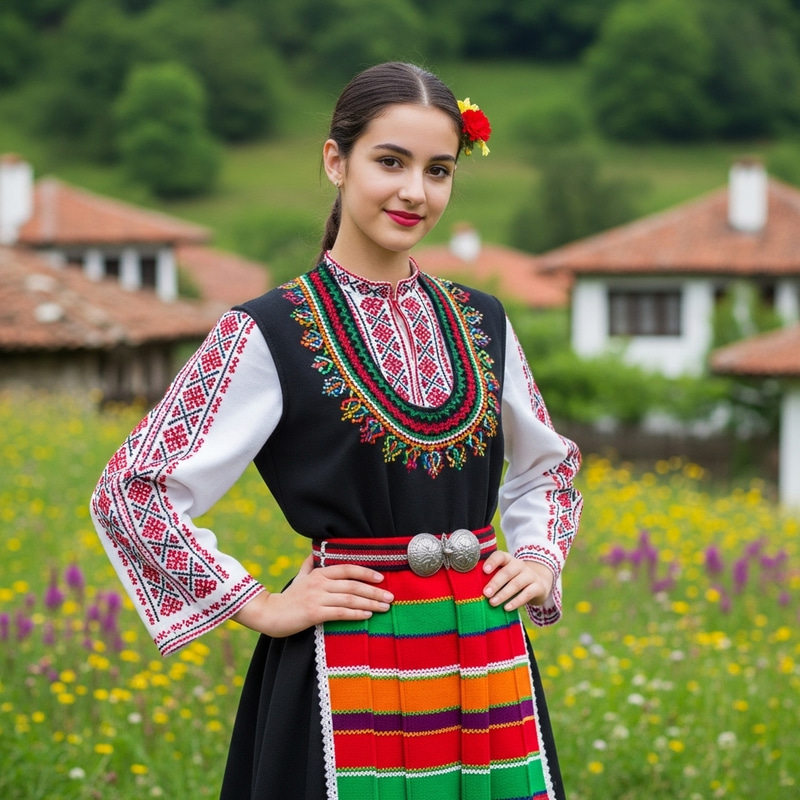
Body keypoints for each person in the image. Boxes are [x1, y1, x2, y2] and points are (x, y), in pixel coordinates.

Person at [90, 61, 583, 800]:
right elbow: (132, 490)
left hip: (485, 659)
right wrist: (257, 603)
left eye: (439, 170)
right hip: (347, 661)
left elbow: (549, 466)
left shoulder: (484, 320)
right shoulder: (267, 332)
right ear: (335, 161)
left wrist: (540, 556)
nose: (416, 191)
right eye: (391, 161)